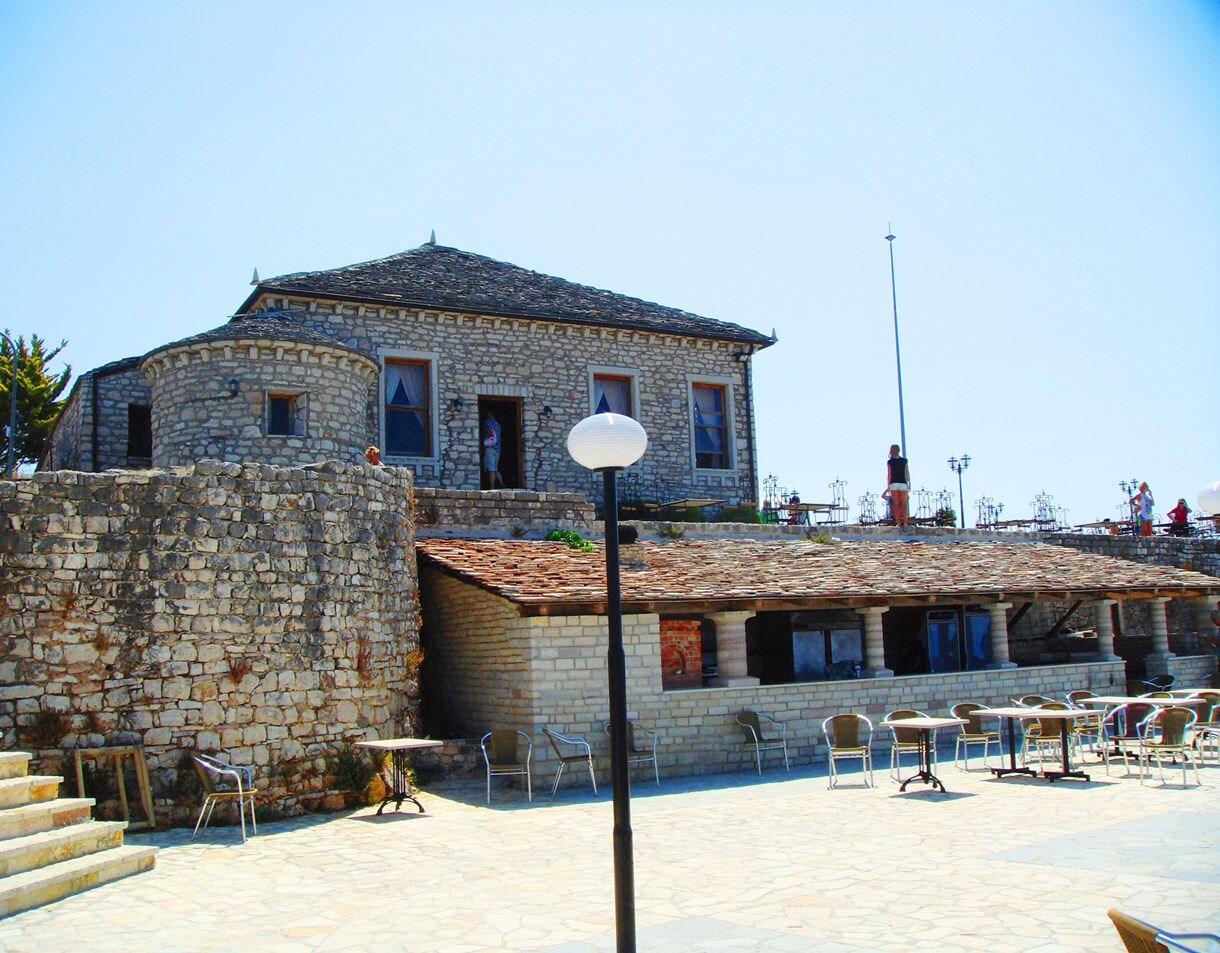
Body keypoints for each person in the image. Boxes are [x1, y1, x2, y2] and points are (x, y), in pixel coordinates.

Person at [882, 443, 911, 528]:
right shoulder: (904, 460)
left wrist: (888, 485)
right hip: (903, 482)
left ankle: (898, 523)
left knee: (896, 504)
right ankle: (905, 523)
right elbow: (907, 472)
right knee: (904, 503)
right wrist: (909, 483)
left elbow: (889, 474)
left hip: (893, 483)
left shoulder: (890, 462)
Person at [482, 413, 504, 489]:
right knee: (495, 467)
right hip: (498, 449)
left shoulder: (488, 422)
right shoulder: (498, 424)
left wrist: (487, 435)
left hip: (490, 448)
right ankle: (502, 483)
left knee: (491, 468)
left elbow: (490, 431)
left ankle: (492, 487)